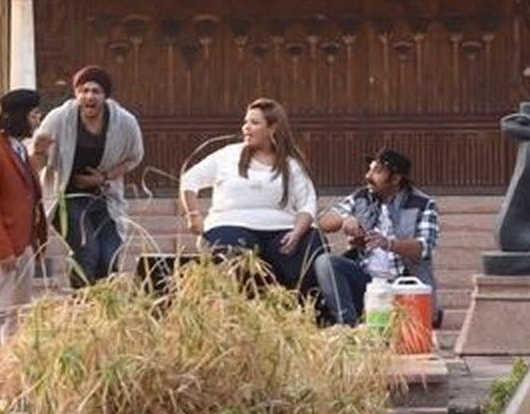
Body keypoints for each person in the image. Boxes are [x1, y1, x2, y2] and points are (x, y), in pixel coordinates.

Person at [179, 98, 324, 294]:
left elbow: (307, 204)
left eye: (254, 123)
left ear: (273, 128)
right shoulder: (228, 155)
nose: (246, 128)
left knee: (312, 243)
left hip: (282, 229)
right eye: (246, 122)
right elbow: (189, 180)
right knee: (234, 252)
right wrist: (193, 215)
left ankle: (309, 309)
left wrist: (297, 233)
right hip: (231, 225)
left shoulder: (292, 164)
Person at [33, 65, 144, 287]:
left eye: (96, 91)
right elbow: (35, 164)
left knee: (109, 254)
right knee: (88, 250)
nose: (89, 96)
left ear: (105, 96)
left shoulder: (124, 121)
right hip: (66, 199)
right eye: (84, 91)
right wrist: (37, 150)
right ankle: (81, 304)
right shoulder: (59, 119)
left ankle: (103, 305)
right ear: (76, 94)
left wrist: (104, 177)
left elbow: (134, 157)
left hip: (104, 198)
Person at [312, 149, 440, 326]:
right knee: (326, 262)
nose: (368, 176)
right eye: (369, 169)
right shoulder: (361, 197)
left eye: (377, 171)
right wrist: (345, 219)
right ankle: (347, 327)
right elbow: (321, 221)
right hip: (366, 282)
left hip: (403, 286)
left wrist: (388, 243)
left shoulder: (423, 204)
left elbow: (423, 248)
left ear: (396, 179)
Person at [0, 88, 46, 362]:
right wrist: (3, 248)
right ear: (20, 117)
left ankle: (12, 361)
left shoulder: (20, 150)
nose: (38, 120)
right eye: (34, 115)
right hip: (1, 247)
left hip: (24, 243)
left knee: (19, 309)